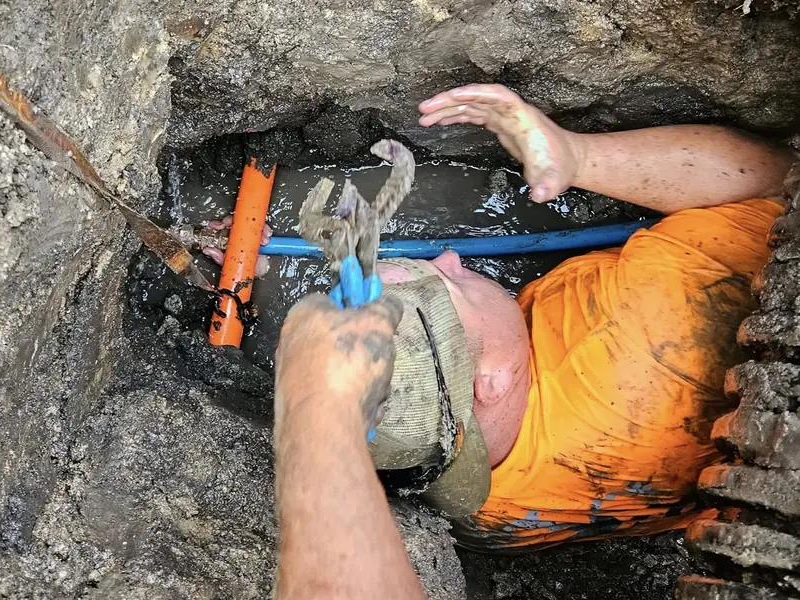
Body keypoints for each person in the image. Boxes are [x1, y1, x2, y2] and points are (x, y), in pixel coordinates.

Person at [265, 83, 797, 595]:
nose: (449, 258)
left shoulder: (480, 513)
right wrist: (577, 156)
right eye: (450, 281)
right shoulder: (655, 307)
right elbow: (780, 179)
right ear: (491, 381)